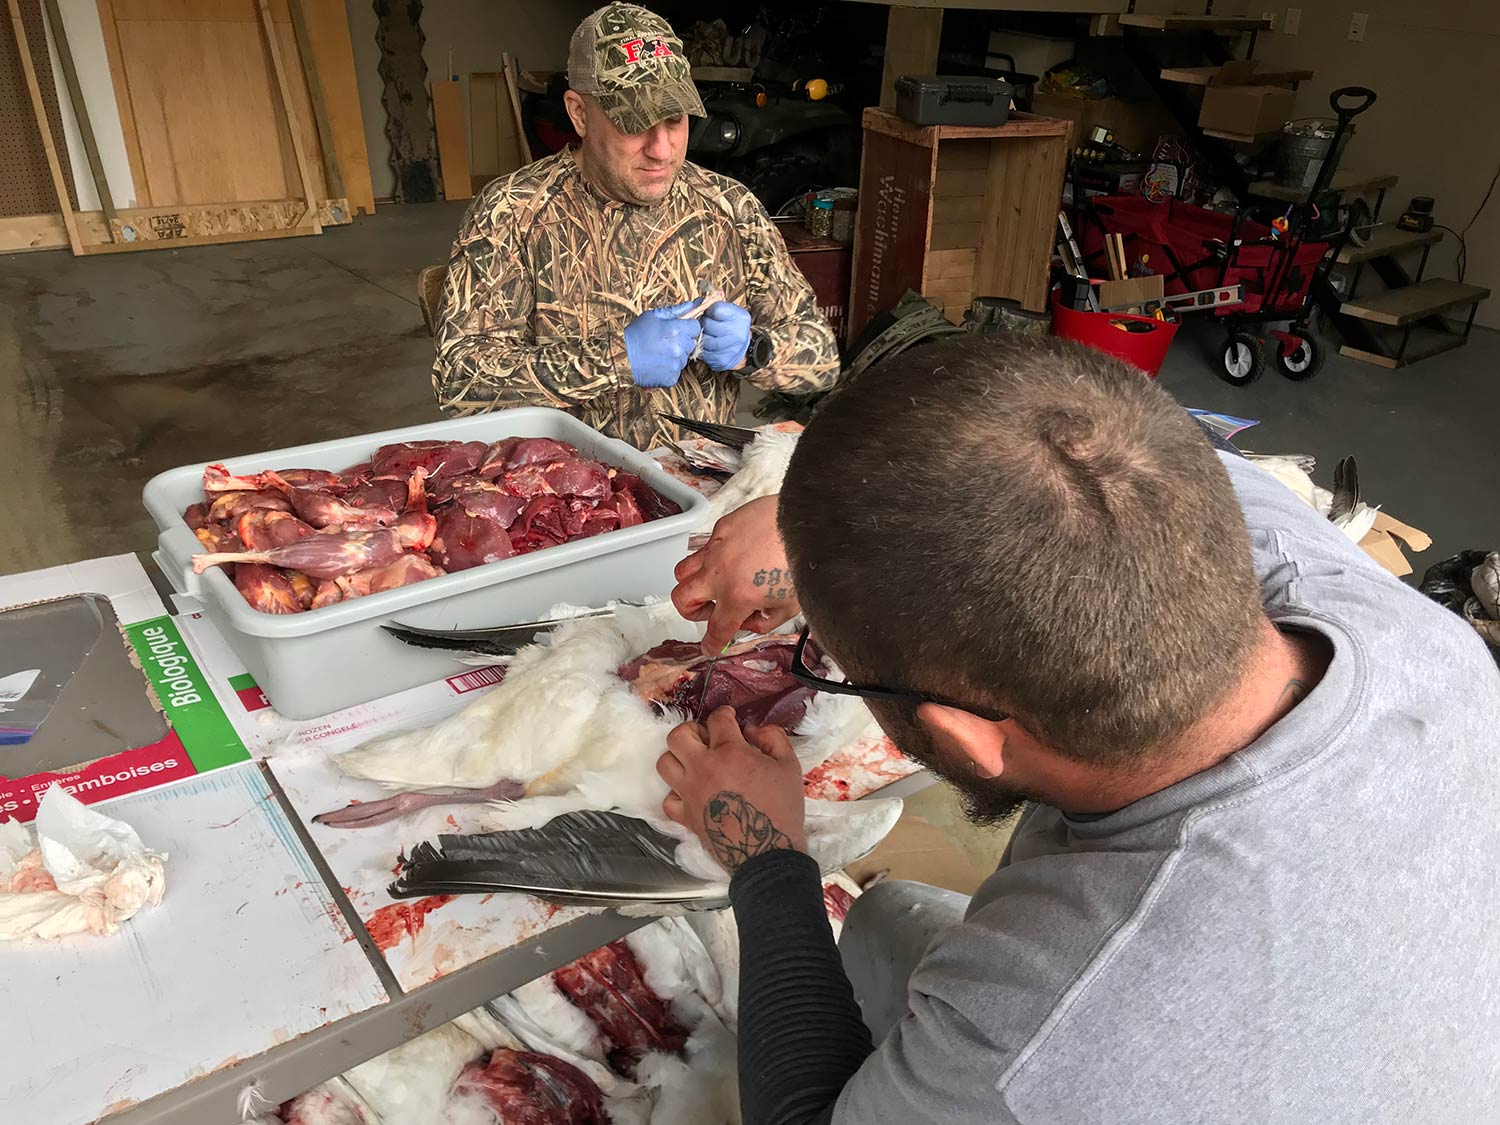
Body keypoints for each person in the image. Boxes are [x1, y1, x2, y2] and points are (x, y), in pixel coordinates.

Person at [659, 334, 1500, 1123]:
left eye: (829, 659)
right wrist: (817, 520)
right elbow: (1105, 455)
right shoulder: (1405, 628)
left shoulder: (1041, 1031)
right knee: (888, 920)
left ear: (973, 735)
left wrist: (767, 859)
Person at [431, 3, 839, 450]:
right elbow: (460, 382)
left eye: (675, 120)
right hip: (565, 494)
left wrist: (752, 350)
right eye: (635, 123)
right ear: (579, 113)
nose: (662, 150)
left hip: (696, 485)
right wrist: (615, 359)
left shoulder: (728, 208)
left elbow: (821, 358)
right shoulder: (513, 211)